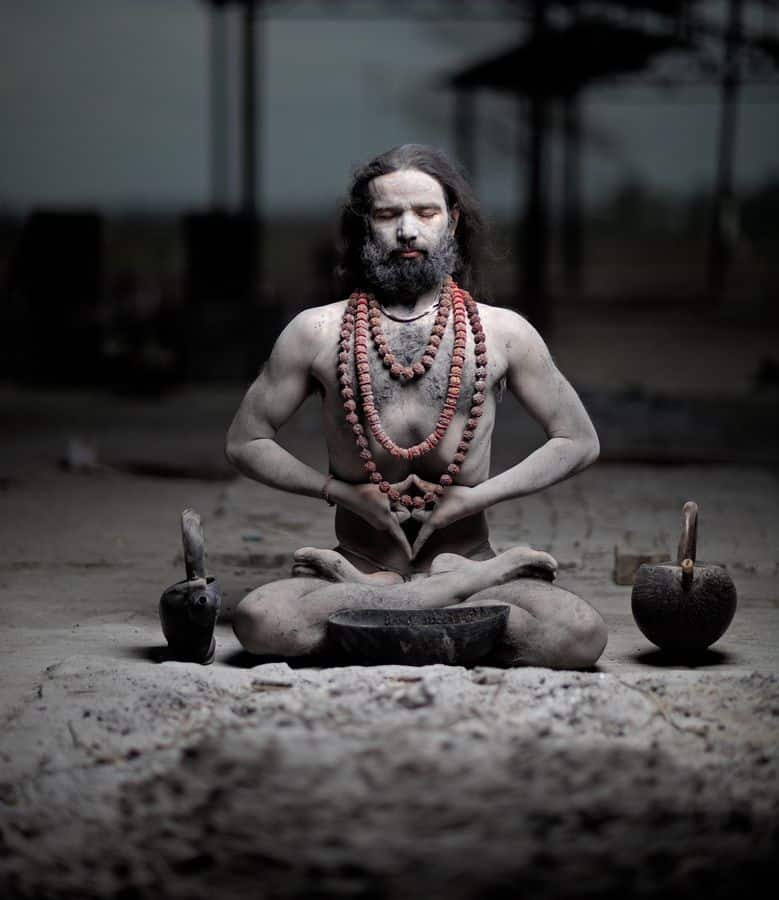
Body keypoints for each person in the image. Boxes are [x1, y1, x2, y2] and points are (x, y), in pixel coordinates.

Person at [226, 144, 607, 669]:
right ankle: (449, 601)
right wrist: (343, 492)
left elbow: (579, 440)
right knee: (260, 621)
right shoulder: (316, 331)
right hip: (365, 558)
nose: (408, 230)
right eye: (388, 215)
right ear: (367, 228)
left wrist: (472, 500)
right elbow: (245, 440)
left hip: (465, 557)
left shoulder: (502, 331)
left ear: (451, 222)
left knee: (580, 633)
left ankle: (380, 602)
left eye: (425, 212)